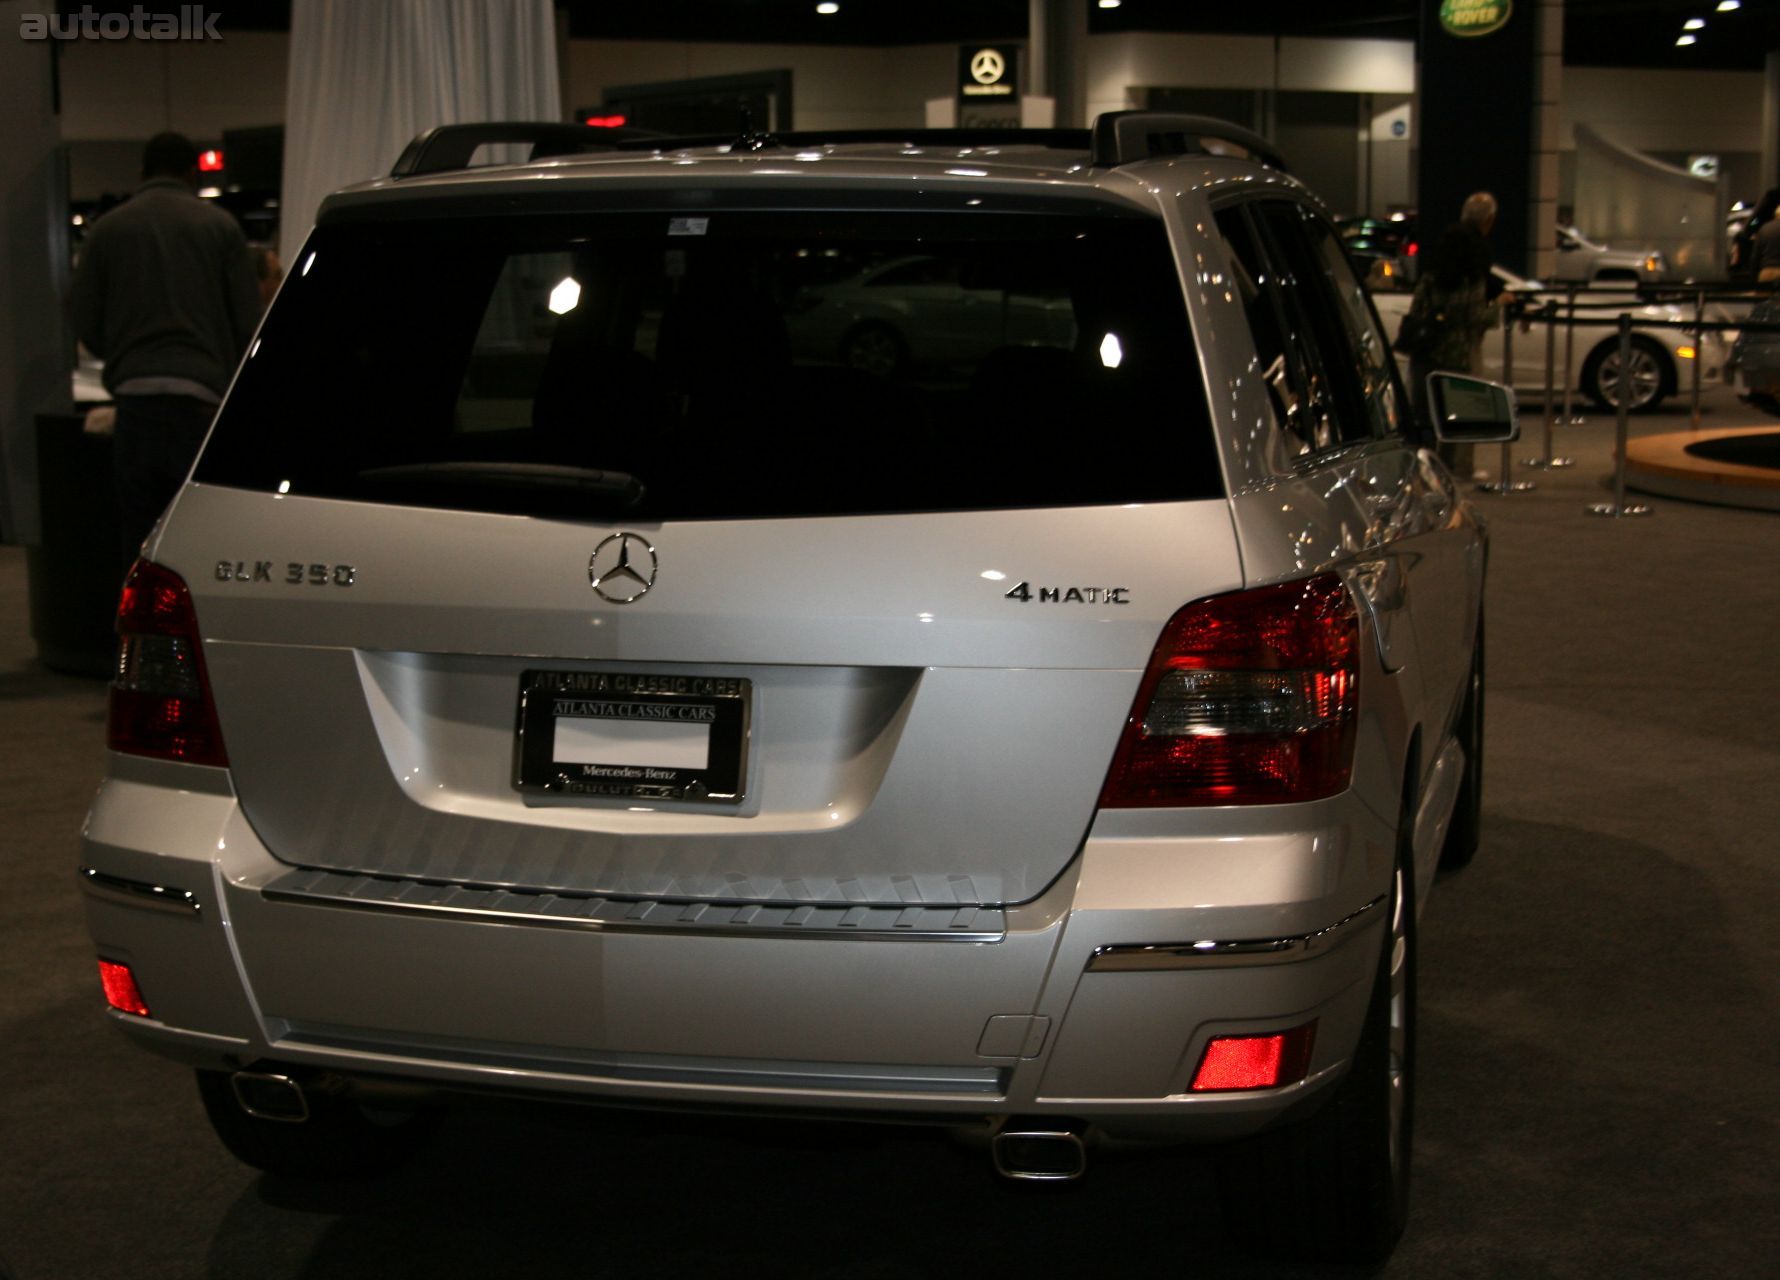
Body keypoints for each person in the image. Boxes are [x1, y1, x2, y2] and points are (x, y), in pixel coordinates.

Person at [71, 131, 261, 575]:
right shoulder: (220, 227)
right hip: (201, 400)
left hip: (135, 401)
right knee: (199, 537)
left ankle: (138, 619)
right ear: (193, 173)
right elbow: (247, 320)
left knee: (139, 539)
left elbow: (83, 317)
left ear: (142, 172)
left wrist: (121, 353)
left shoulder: (108, 229)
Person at [1405, 191, 1501, 472]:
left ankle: (1422, 471)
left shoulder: (1435, 264)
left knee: (1424, 417)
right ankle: (1450, 472)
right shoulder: (1474, 268)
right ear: (1488, 221)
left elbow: (1417, 306)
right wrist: (1499, 306)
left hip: (1425, 351)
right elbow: (1475, 316)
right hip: (1457, 353)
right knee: (1454, 417)